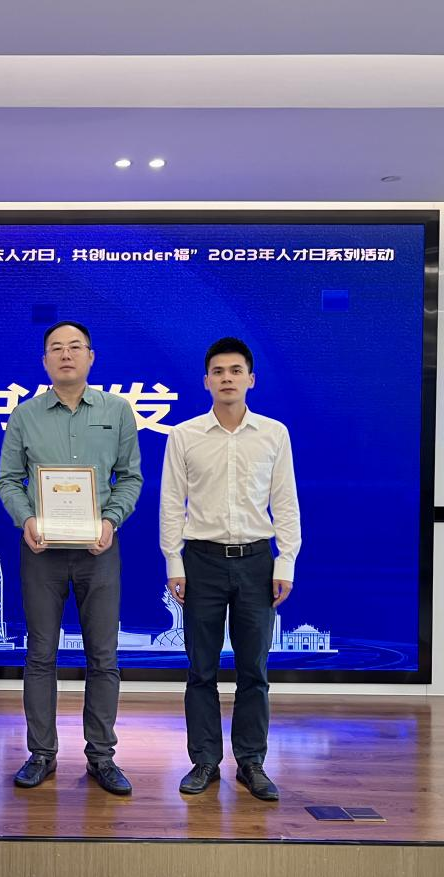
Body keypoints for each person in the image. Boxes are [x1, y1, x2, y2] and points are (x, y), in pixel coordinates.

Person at [0, 321, 143, 796]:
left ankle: (101, 756)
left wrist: (111, 520)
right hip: (42, 552)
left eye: (75, 347)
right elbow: (8, 479)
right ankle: (41, 753)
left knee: (103, 657)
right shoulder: (25, 415)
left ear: (91, 357)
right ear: (44, 361)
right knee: (41, 654)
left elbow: (130, 478)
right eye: (56, 348)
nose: (66, 355)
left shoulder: (117, 411)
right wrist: (26, 519)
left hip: (98, 550)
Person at [160, 337, 301, 802]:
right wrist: (174, 560)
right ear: (206, 381)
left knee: (253, 670)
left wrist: (285, 561)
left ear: (251, 379)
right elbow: (171, 503)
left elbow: (285, 502)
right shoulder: (184, 435)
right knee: (200, 669)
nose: (227, 379)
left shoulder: (274, 434)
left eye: (236, 371)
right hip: (200, 561)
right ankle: (204, 760)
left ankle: (251, 762)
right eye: (218, 372)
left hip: (257, 562)